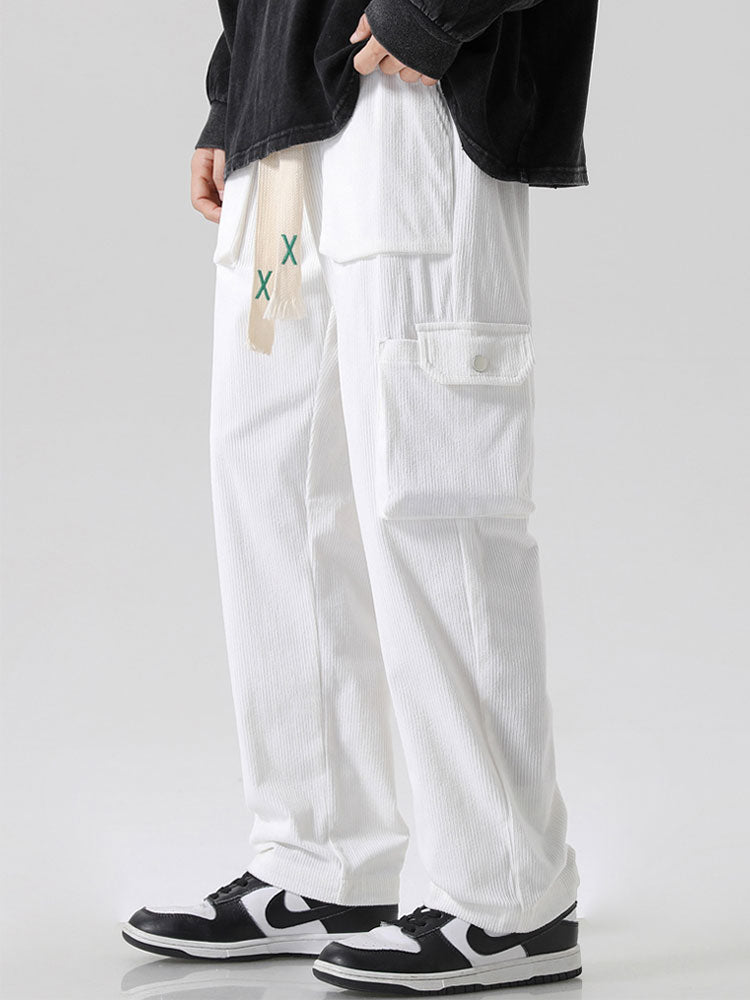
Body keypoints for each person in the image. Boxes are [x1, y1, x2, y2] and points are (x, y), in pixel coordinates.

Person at [122, 0, 598, 993]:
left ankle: (510, 893)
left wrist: (435, 11)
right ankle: (320, 862)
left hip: (411, 104)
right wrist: (234, 93)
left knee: (436, 493)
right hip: (280, 142)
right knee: (273, 485)